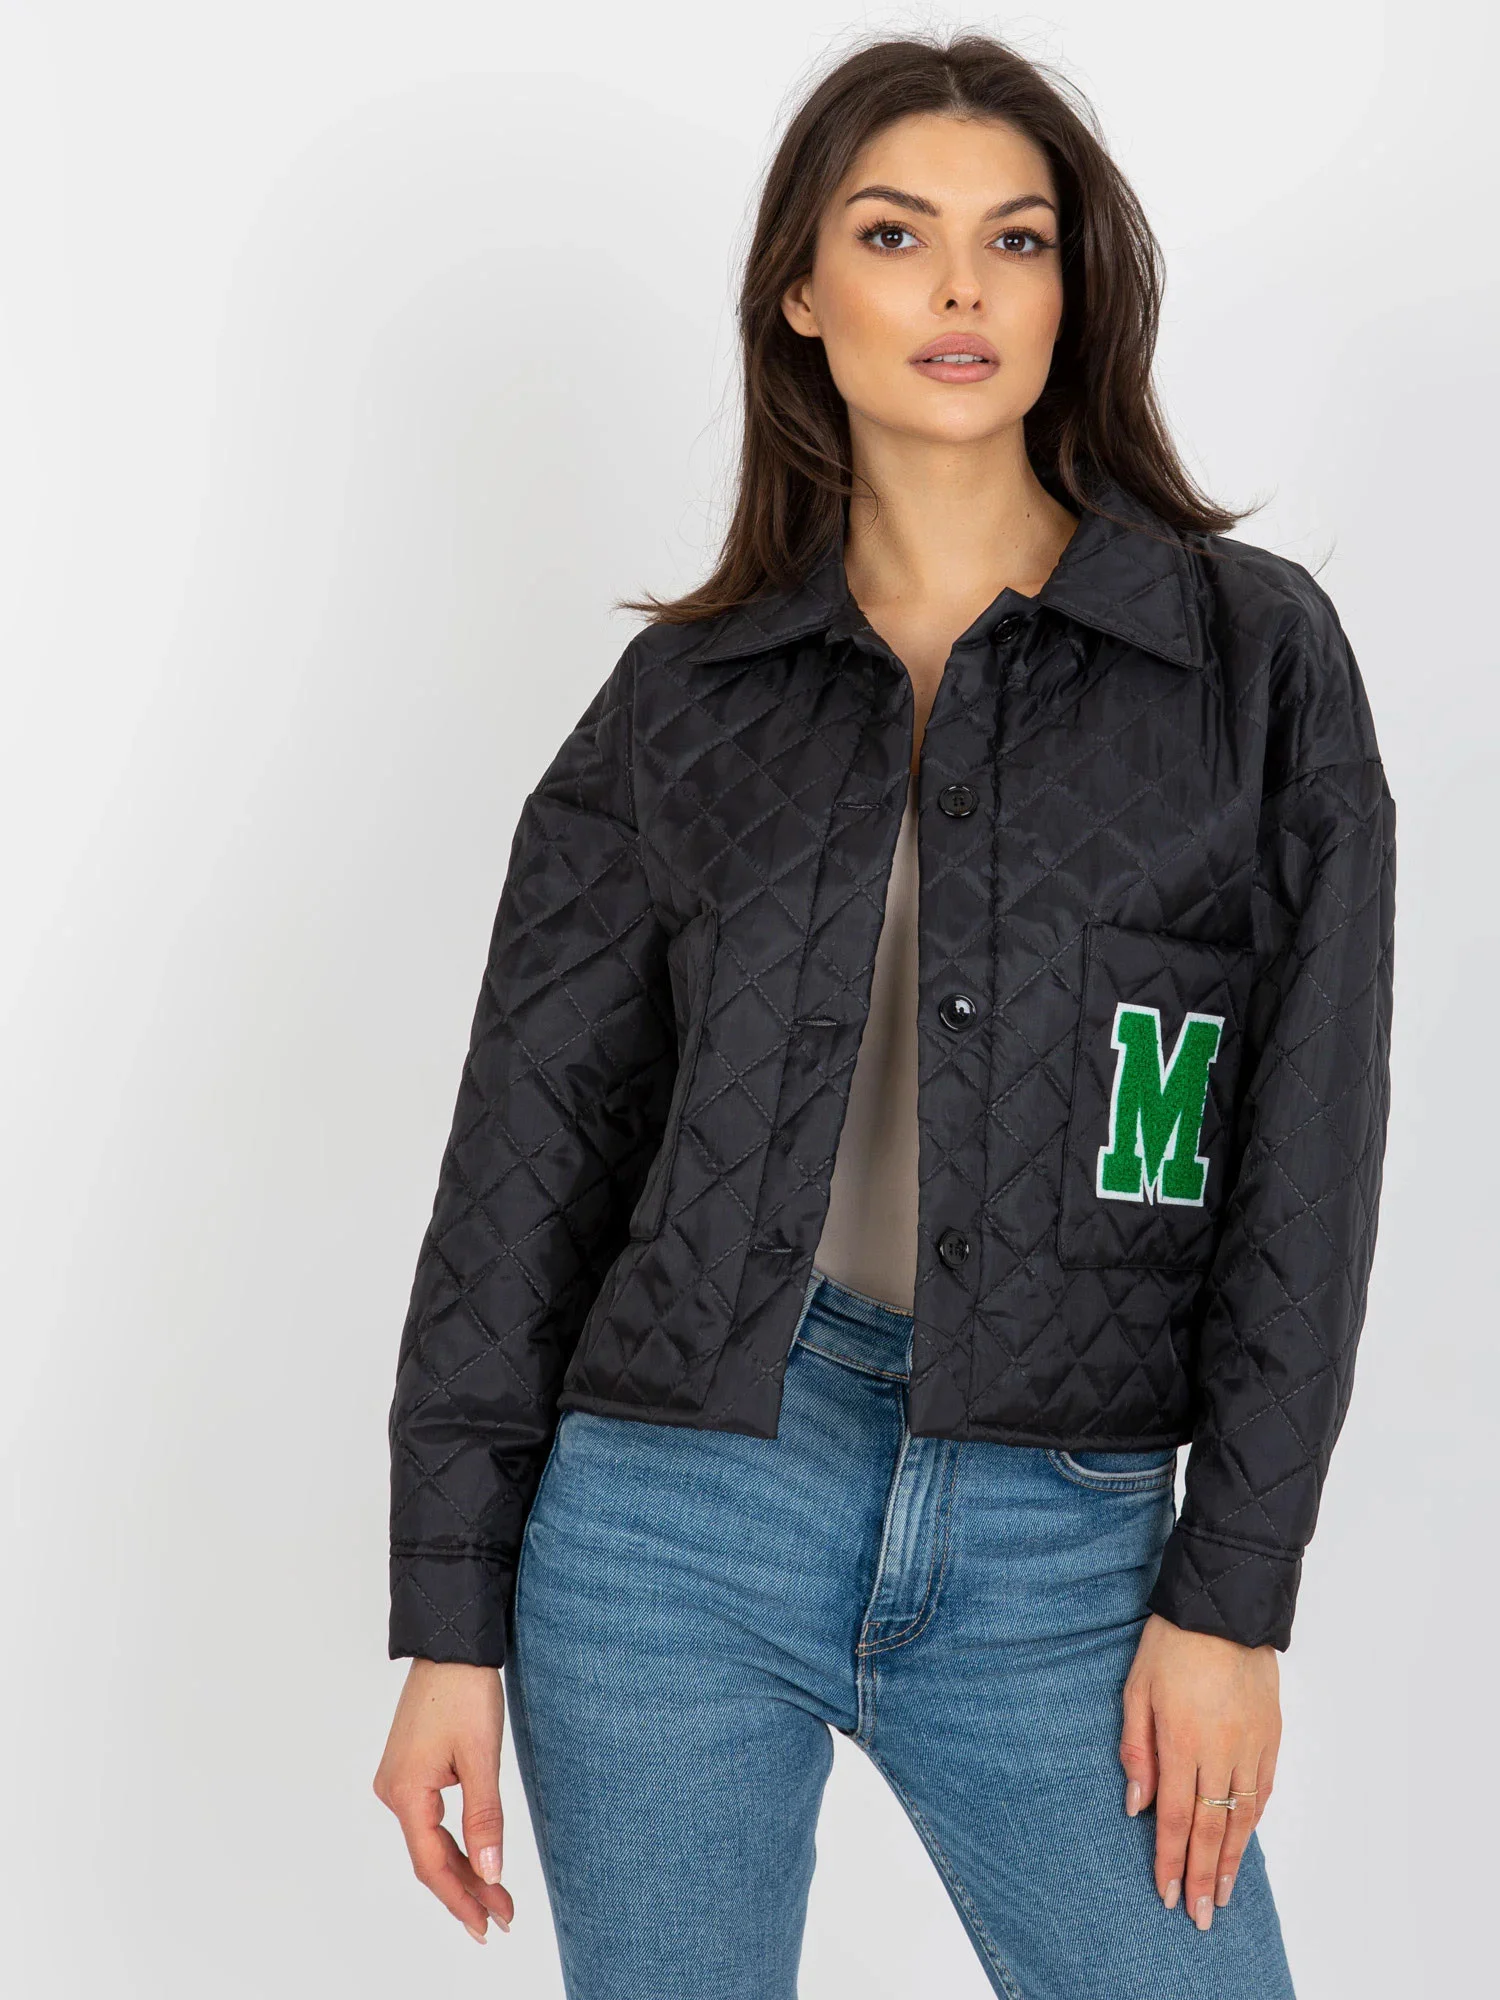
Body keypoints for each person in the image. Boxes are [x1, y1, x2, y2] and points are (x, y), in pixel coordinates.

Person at [372, 31, 1395, 2000]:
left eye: (1017, 239)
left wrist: (1235, 1596)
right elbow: (524, 1164)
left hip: (1064, 1539)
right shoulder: (683, 706)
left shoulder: (1249, 659)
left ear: (1075, 288)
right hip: (674, 1518)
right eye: (896, 234)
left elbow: (1309, 1157)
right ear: (801, 290)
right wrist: (450, 1617)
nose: (960, 289)